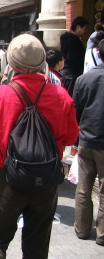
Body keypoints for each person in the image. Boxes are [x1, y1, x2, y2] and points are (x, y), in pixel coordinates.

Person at [0, 34, 79, 259]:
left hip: (6, 176)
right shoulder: (60, 95)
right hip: (47, 177)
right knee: (37, 243)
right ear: (43, 62)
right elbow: (71, 137)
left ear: (11, 62)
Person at [72, 39, 104, 246]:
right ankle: (102, 234)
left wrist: (75, 141)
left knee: (84, 188)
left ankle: (82, 229)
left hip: (86, 139)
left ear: (98, 54)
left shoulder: (84, 79)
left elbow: (75, 111)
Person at [60, 16, 89, 95]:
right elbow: (73, 58)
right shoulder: (74, 41)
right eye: (85, 29)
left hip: (65, 73)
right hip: (72, 74)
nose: (85, 32)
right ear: (78, 27)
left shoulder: (66, 38)